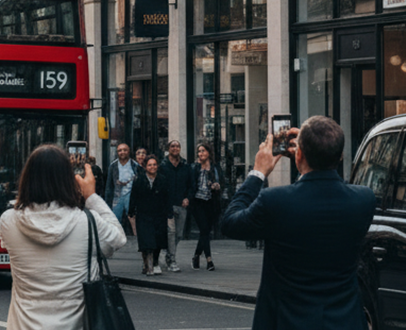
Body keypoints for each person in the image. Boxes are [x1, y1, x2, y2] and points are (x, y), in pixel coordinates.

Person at [221, 116, 376, 330]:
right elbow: (316, 196)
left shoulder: (275, 202)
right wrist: (307, 161)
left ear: (299, 154)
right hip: (345, 322)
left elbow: (230, 222)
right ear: (340, 156)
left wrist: (257, 173)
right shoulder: (364, 200)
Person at [0, 144, 126, 330]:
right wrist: (91, 196)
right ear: (68, 180)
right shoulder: (87, 222)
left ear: (27, 178)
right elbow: (117, 240)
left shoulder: (8, 221)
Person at [128, 155, 172, 274]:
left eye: (154, 164)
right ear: (145, 167)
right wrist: (131, 210)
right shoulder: (139, 179)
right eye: (150, 165)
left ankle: (155, 262)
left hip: (159, 214)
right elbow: (134, 196)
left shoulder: (162, 179)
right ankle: (148, 264)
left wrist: (169, 212)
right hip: (144, 214)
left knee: (158, 240)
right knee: (146, 241)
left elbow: (167, 197)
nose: (152, 167)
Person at [187, 140, 223, 270]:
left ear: (208, 153)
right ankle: (209, 260)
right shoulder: (194, 167)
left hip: (211, 203)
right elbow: (190, 185)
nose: (200, 153)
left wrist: (217, 186)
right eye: (199, 151)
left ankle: (196, 256)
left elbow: (223, 183)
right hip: (197, 203)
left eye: (203, 151)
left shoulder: (215, 168)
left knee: (205, 232)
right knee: (204, 230)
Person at [159, 139, 191, 272]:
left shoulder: (185, 165)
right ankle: (172, 260)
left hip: (181, 204)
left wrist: (188, 197)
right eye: (172, 146)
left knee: (178, 235)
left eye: (177, 146)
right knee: (171, 232)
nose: (175, 148)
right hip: (168, 205)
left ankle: (168, 252)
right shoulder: (163, 165)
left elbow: (190, 184)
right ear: (168, 148)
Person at [108, 142, 140, 232]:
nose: (122, 152)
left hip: (131, 195)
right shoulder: (113, 166)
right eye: (120, 150)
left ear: (129, 151)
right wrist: (108, 201)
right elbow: (109, 186)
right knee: (115, 220)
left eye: (125, 150)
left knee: (133, 219)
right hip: (117, 196)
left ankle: (136, 237)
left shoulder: (135, 165)